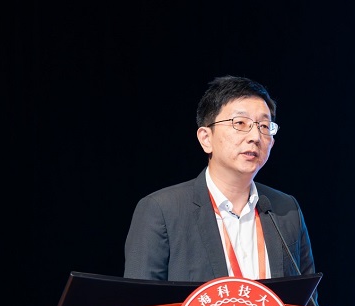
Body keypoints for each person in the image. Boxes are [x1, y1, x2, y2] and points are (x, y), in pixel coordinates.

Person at [123, 76, 316, 291]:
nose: (255, 136)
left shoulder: (286, 210)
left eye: (263, 126)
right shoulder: (162, 211)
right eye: (240, 123)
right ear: (206, 138)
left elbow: (309, 304)